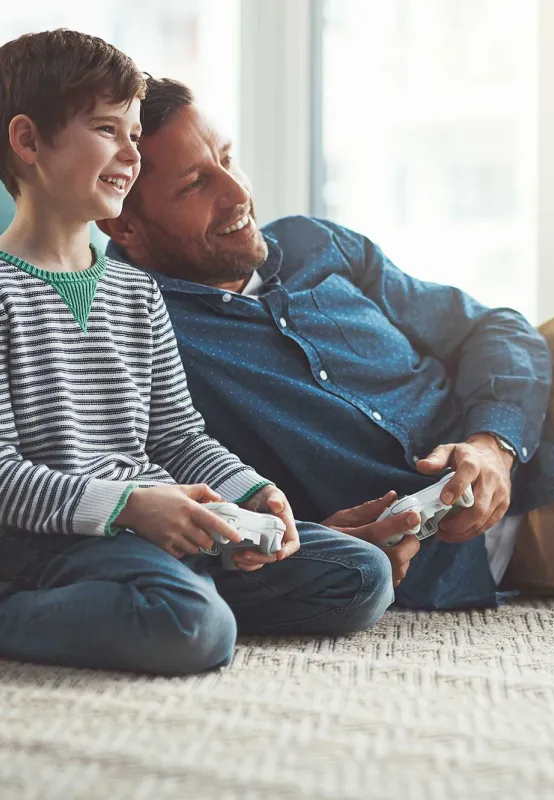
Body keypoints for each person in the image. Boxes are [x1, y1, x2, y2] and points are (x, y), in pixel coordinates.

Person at [102, 76, 554, 612]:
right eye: (197, 183)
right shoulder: (137, 340)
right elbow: (172, 517)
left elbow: (488, 327)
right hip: (541, 514)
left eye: (228, 159)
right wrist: (322, 540)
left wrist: (495, 441)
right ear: (125, 229)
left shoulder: (312, 244)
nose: (236, 193)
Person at [0, 31, 394, 676]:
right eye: (107, 129)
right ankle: (168, 602)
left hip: (158, 522)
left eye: (133, 134)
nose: (130, 153)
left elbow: (178, 436)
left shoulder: (136, 292)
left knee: (360, 573)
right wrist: (129, 507)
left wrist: (254, 494)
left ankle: (172, 592)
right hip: (53, 542)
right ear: (28, 142)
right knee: (192, 629)